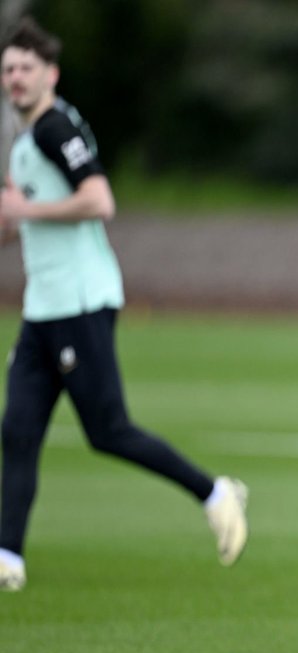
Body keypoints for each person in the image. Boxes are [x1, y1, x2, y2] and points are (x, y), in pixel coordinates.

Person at [0, 18, 249, 592]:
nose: (15, 78)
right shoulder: (27, 137)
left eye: (25, 68)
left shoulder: (52, 127)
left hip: (80, 303)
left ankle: (214, 492)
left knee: (108, 429)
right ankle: (9, 558)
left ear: (50, 74)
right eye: (8, 69)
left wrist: (21, 212)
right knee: (17, 429)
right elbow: (29, 217)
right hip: (44, 307)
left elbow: (98, 199)